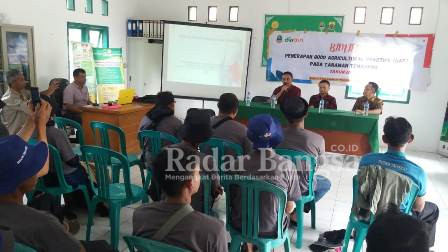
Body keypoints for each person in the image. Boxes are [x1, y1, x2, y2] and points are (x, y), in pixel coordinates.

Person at [355, 117, 439, 247]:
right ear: (410, 139)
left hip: (366, 212)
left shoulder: (367, 160)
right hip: (397, 223)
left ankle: (361, 231)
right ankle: (420, 247)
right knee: (432, 209)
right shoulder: (417, 173)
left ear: (384, 139)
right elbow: (418, 207)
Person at [227, 114, 301, 249]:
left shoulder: (236, 164)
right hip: (271, 228)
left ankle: (248, 245)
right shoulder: (287, 166)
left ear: (250, 135)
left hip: (239, 224)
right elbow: (289, 208)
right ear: (276, 135)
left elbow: (232, 198)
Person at [133, 147, 228, 252]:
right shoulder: (213, 230)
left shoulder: (140, 215)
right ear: (190, 183)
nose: (200, 175)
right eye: (197, 173)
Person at [148, 109, 222, 213]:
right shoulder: (207, 161)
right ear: (204, 137)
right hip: (197, 211)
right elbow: (215, 190)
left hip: (165, 208)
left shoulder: (165, 152)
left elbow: (154, 189)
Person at [279, 96, 331, 210]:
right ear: (306, 113)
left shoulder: (276, 135)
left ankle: (290, 209)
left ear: (284, 115)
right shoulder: (317, 139)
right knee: (326, 183)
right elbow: (319, 164)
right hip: (303, 187)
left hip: (279, 182)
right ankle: (298, 213)